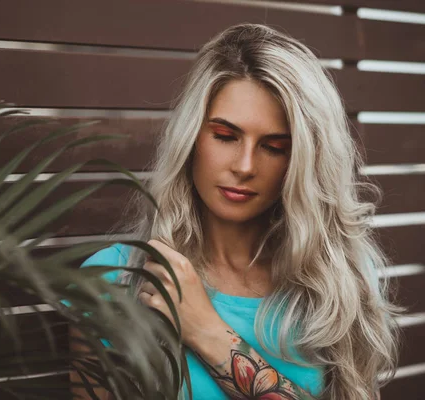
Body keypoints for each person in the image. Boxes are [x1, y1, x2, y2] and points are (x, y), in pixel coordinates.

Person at [69, 23, 402, 399]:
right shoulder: (112, 281)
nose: (244, 166)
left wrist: (206, 331)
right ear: (191, 138)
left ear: (303, 162)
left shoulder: (339, 281)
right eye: (225, 137)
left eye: (274, 147)